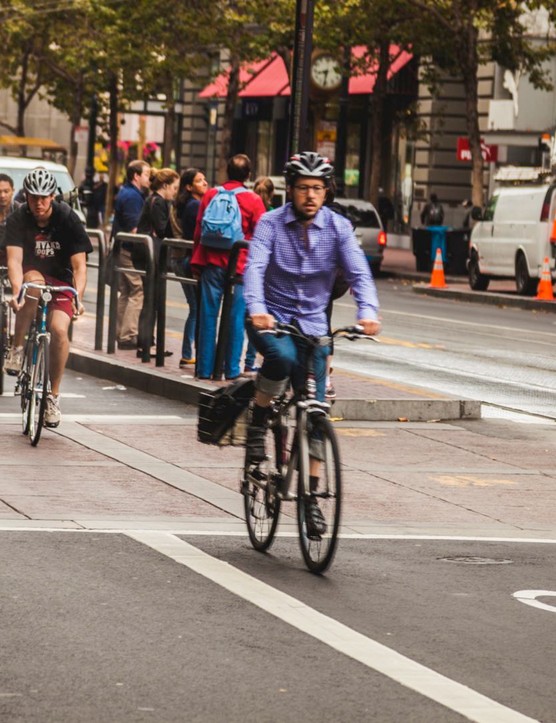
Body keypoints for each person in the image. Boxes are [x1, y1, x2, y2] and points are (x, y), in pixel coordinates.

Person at [243, 151, 381, 534]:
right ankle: (258, 419)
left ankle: (311, 500)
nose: (309, 195)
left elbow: (359, 273)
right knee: (282, 359)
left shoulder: (338, 228)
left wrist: (367, 313)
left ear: (326, 192)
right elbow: (254, 268)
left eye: (317, 189)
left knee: (316, 414)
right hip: (272, 318)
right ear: (291, 190)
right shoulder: (271, 224)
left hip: (315, 326)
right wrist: (257, 308)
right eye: (303, 188)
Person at [4, 168, 92, 427]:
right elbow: (14, 261)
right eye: (33, 198)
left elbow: (80, 267)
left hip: (62, 278)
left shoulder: (68, 219)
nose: (39, 203)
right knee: (32, 287)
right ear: (27, 197)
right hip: (33, 272)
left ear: (53, 196)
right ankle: (17, 348)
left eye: (44, 197)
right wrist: (17, 292)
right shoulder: (19, 218)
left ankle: (52, 397)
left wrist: (79, 297)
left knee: (59, 330)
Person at [191, 153, 266, 381]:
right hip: (240, 268)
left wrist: (197, 260)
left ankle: (204, 369)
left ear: (227, 172)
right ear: (249, 176)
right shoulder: (254, 200)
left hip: (211, 263)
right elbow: (262, 237)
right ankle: (231, 369)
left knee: (207, 316)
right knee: (235, 319)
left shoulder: (211, 195)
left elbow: (198, 230)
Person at [136, 167, 180, 356]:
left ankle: (147, 343)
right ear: (165, 185)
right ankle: (146, 344)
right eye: (174, 188)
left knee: (151, 301)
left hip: (146, 255)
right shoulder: (158, 202)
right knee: (152, 301)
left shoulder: (153, 199)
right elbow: (162, 230)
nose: (175, 192)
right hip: (151, 256)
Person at [112, 160, 151, 350]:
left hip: (121, 248)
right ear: (136, 176)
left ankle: (120, 332)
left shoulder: (126, 192)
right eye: (146, 174)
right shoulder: (133, 197)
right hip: (128, 249)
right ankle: (128, 335)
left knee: (126, 291)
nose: (149, 178)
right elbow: (134, 228)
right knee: (137, 290)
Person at [173, 167, 208, 368]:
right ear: (189, 186)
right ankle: (188, 353)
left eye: (204, 179)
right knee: (196, 307)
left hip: (182, 258)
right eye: (199, 180)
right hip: (188, 258)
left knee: (195, 307)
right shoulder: (195, 205)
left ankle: (190, 352)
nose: (204, 183)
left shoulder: (187, 203)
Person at [244, 176, 276, 375]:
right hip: (268, 272)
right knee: (264, 319)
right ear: (272, 195)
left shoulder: (249, 208)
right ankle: (254, 361)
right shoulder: (271, 215)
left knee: (251, 318)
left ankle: (246, 361)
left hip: (248, 266)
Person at [0, 173, 18, 263]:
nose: (2, 195)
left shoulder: (20, 211)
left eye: (6, 191)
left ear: (13, 191)